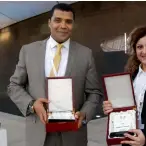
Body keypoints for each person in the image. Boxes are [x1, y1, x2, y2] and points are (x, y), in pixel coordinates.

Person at [7, 3, 103, 146]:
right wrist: (32, 105)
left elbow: (94, 92)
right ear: (49, 23)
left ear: (73, 24)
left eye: (68, 21)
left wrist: (84, 114)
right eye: (58, 20)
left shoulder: (85, 54)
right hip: (39, 133)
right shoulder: (29, 51)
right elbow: (14, 86)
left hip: (73, 134)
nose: (63, 26)